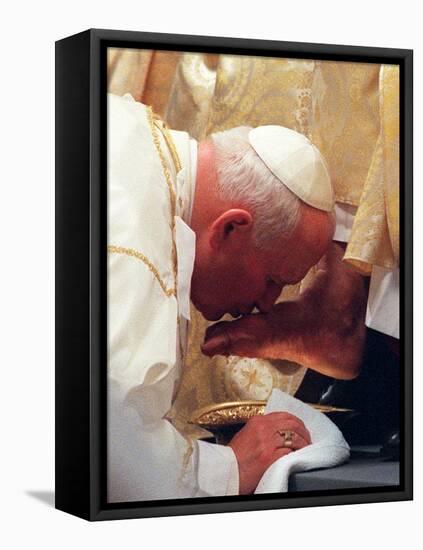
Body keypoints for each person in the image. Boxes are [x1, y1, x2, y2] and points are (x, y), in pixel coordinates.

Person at [107, 93, 357, 502]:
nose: (266, 304)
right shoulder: (135, 246)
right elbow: (109, 444)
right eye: (273, 279)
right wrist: (226, 469)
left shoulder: (129, 137)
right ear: (230, 229)